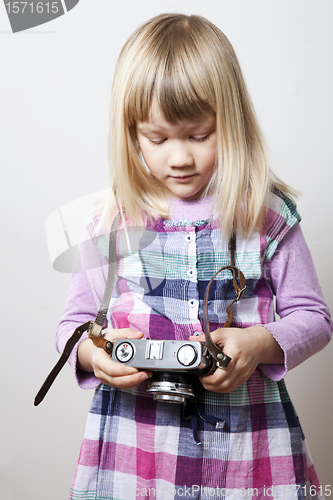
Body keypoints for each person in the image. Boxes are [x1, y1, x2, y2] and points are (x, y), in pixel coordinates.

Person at [56, 13, 332, 500]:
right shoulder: (110, 220)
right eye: (157, 139)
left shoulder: (264, 214)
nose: (179, 157)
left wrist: (258, 345)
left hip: (249, 445)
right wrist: (93, 355)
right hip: (135, 446)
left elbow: (315, 317)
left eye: (199, 135)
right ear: (131, 132)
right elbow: (74, 323)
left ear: (231, 120)